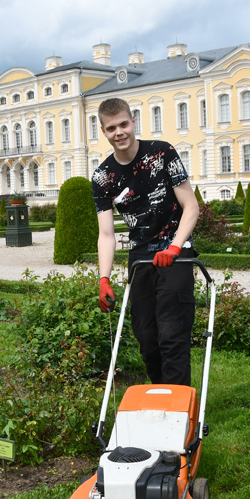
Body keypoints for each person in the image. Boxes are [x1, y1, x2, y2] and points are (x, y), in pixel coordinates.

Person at [92, 97, 200, 386]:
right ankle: (162, 394)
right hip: (140, 259)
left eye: (124, 124)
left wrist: (175, 246)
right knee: (147, 338)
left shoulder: (163, 153)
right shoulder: (103, 177)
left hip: (176, 252)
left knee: (171, 333)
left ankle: (177, 408)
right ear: (103, 131)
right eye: (112, 128)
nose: (120, 132)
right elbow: (106, 234)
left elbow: (191, 206)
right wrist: (104, 279)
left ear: (133, 122)